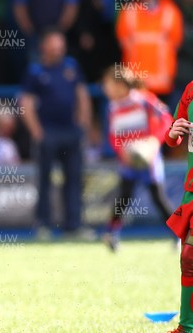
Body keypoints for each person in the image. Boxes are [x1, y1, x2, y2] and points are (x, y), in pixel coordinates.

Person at [20, 28, 92, 240]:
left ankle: (74, 225)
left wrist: (84, 123)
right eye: (53, 46)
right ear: (44, 47)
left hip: (71, 131)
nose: (57, 50)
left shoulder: (71, 66)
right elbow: (26, 102)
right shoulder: (34, 71)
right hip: (48, 132)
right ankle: (43, 224)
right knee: (44, 180)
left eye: (60, 46)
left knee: (74, 179)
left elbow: (81, 94)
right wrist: (37, 131)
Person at [100, 66, 174, 252]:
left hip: (148, 159)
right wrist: (121, 152)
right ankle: (111, 234)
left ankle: (179, 235)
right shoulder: (112, 107)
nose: (105, 89)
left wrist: (154, 143)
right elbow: (113, 135)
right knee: (123, 197)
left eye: (107, 85)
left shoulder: (143, 100)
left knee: (158, 198)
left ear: (120, 85)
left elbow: (166, 120)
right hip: (128, 160)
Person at [153, 80, 193, 333]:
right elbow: (172, 138)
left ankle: (188, 331)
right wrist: (173, 132)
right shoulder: (190, 89)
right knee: (188, 255)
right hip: (192, 187)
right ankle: (187, 331)